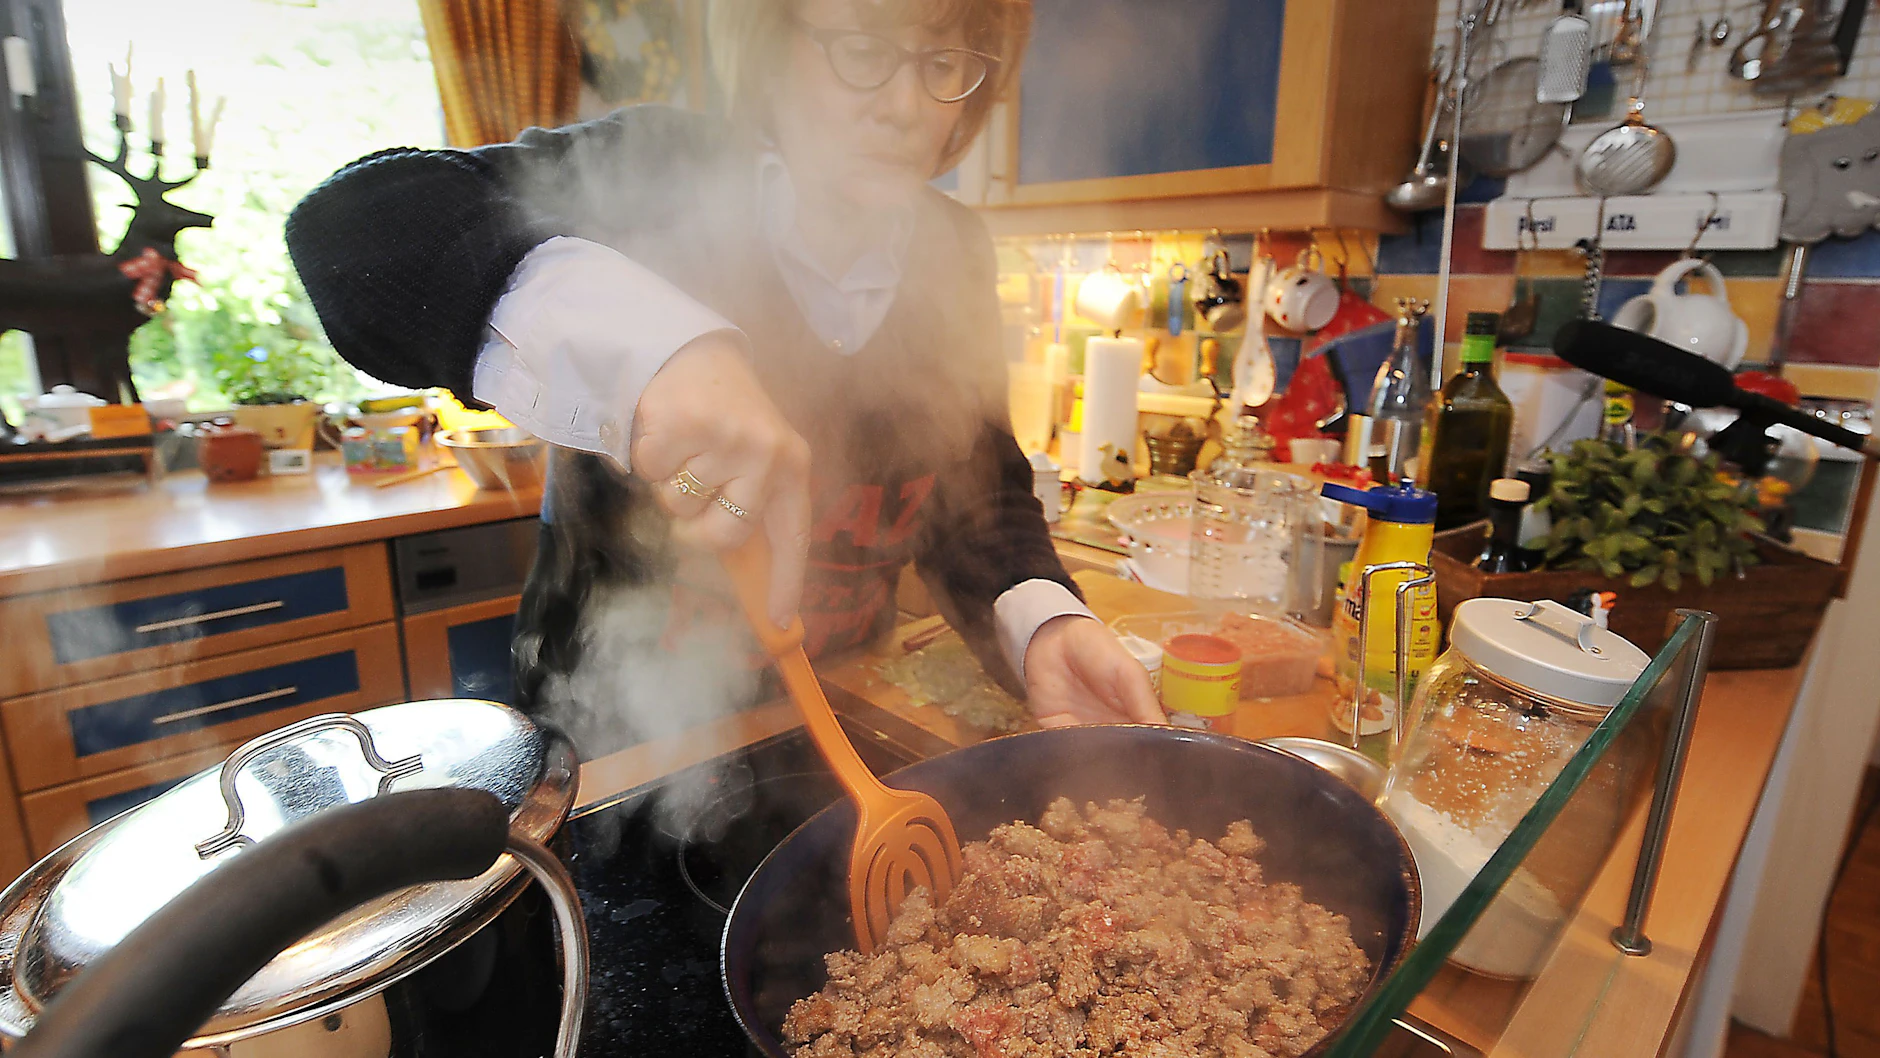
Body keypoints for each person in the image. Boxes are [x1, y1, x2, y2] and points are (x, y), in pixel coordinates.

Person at [286, 0, 1161, 747]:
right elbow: (350, 233)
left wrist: (1047, 624)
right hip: (616, 752)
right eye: (862, 51)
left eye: (944, 62)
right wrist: (654, 352)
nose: (903, 104)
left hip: (836, 728)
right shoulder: (661, 171)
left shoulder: (957, 252)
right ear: (775, 46)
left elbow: (979, 499)